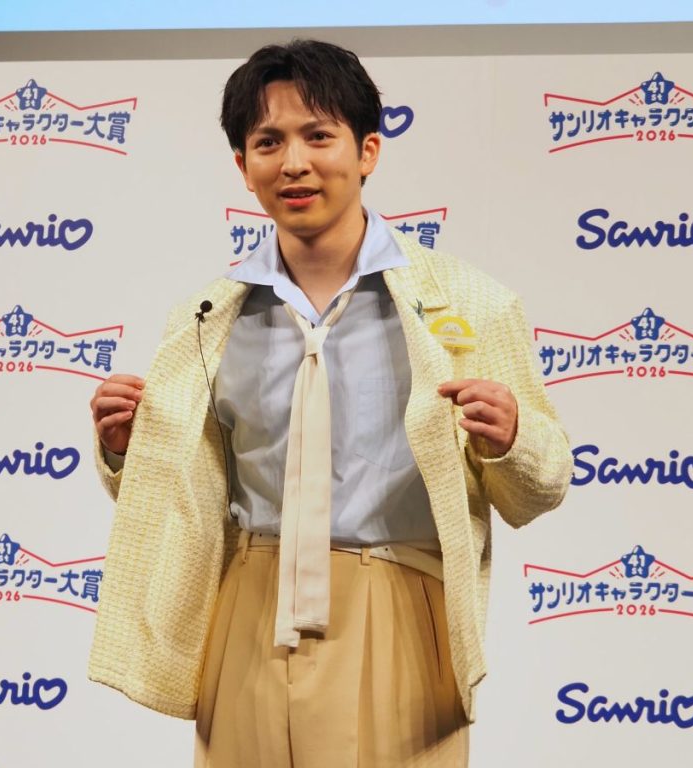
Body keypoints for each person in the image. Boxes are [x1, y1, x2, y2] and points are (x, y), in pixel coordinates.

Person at [88, 39, 571, 767]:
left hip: (401, 604)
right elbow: (180, 492)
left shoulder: (464, 303)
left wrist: (510, 440)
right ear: (243, 167)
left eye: (318, 136)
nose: (294, 163)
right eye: (268, 143)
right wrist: (125, 449)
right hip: (248, 608)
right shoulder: (207, 319)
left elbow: (541, 487)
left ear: (367, 150)